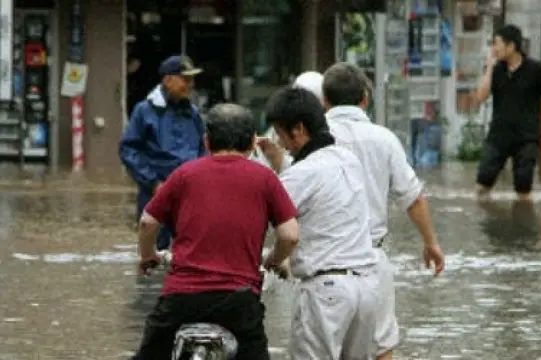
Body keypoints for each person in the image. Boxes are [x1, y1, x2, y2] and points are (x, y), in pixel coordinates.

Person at [288, 63, 444, 360]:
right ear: (365, 98)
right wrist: (431, 243)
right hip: (371, 262)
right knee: (382, 348)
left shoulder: (310, 139)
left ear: (324, 101)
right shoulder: (384, 139)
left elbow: (286, 200)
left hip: (322, 266)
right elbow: (413, 198)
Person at [131, 103, 300, 360]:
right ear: (253, 143)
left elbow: (147, 222)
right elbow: (289, 235)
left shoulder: (184, 174)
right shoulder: (265, 178)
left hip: (181, 299)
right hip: (239, 301)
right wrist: (275, 261)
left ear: (207, 141)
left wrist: (148, 255)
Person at [262, 87, 379, 360]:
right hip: (366, 288)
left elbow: (275, 226)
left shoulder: (302, 174)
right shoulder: (349, 160)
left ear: (299, 129)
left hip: (326, 293)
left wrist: (273, 260)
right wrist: (280, 162)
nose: (281, 143)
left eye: (280, 134)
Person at [119, 55, 207, 250]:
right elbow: (128, 150)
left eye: (192, 79)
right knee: (154, 252)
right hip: (155, 193)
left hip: (189, 195)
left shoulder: (192, 112)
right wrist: (153, 182)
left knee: (191, 249)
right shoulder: (144, 111)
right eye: (185, 79)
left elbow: (203, 148)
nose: (190, 85)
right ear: (168, 80)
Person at [473, 24, 541, 201]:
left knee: (523, 187)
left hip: (526, 137)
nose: (494, 48)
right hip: (498, 136)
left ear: (511, 46)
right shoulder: (496, 70)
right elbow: (480, 97)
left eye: (497, 44)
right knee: (482, 183)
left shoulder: (535, 69)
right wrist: (489, 67)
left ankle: (524, 224)